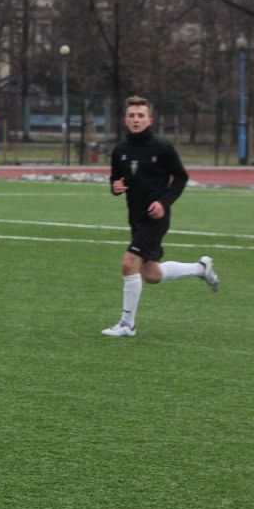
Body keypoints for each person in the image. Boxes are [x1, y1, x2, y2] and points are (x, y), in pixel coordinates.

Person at [103, 95, 220, 338]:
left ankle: (127, 324)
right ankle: (200, 268)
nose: (136, 119)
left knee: (128, 263)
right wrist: (114, 186)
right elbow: (116, 178)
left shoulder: (162, 148)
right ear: (126, 119)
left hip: (156, 217)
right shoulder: (120, 151)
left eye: (141, 116)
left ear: (150, 120)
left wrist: (163, 203)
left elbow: (180, 178)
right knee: (151, 274)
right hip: (135, 217)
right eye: (132, 116)